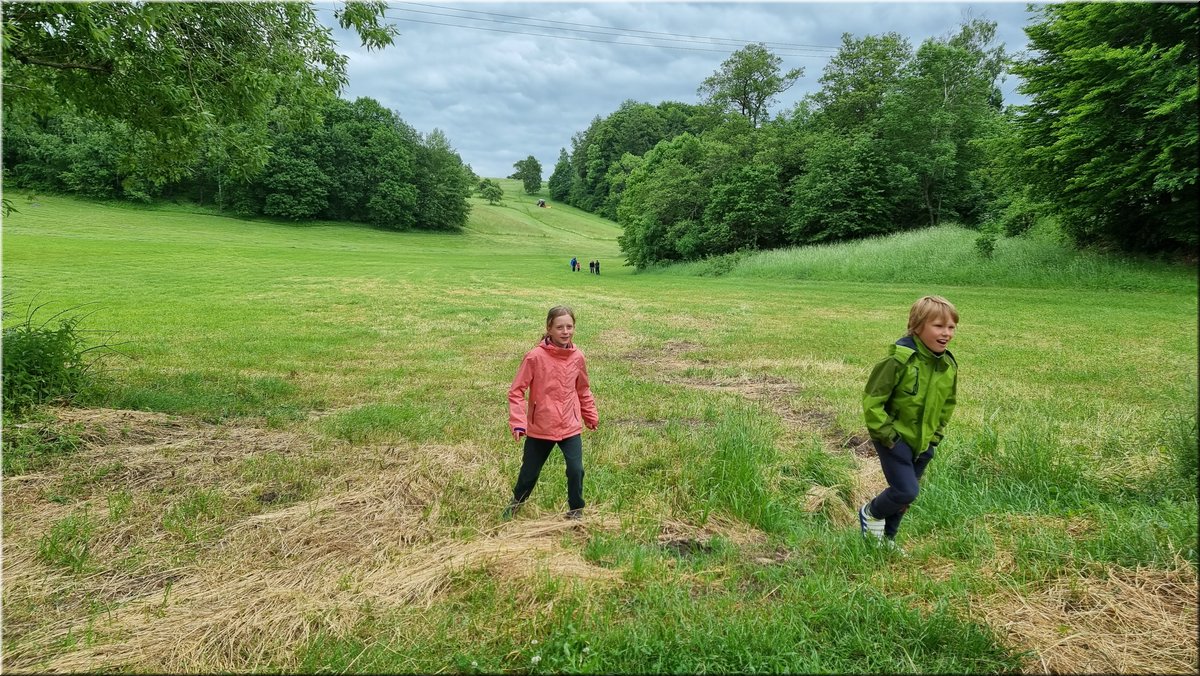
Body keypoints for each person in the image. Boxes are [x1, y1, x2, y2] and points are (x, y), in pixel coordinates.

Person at [860, 295, 958, 551]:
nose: (946, 333)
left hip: (923, 442)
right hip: (895, 440)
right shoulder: (898, 360)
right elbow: (873, 400)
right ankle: (870, 513)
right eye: (938, 326)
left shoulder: (947, 365)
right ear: (917, 326)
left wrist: (934, 438)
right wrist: (889, 437)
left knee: (904, 500)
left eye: (951, 327)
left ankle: (886, 540)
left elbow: (947, 403)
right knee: (906, 491)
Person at [504, 305, 599, 520]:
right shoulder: (534, 357)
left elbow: (583, 388)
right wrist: (519, 422)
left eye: (569, 327)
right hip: (541, 427)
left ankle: (576, 511)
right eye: (560, 327)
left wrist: (589, 414)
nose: (565, 332)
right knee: (529, 474)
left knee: (576, 470)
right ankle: (514, 507)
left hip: (570, 425)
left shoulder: (578, 357)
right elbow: (516, 391)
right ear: (549, 328)